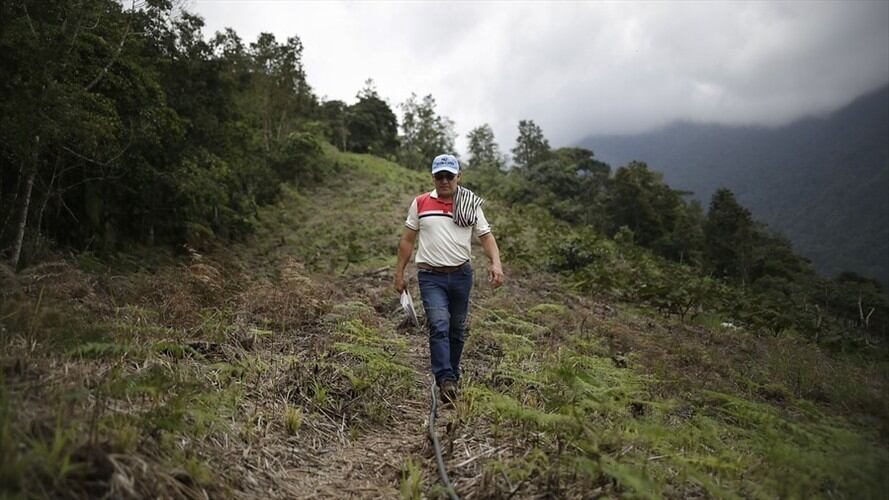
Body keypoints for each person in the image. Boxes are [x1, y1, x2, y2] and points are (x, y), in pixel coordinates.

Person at [394, 154, 504, 403]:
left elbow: (486, 237)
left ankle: (453, 375)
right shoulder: (420, 203)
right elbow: (407, 240)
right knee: (439, 325)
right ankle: (444, 379)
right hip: (431, 276)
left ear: (458, 177)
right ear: (432, 177)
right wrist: (399, 272)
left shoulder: (469, 204)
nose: (444, 181)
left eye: (449, 176)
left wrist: (496, 263)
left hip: (461, 275)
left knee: (457, 329)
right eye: (439, 176)